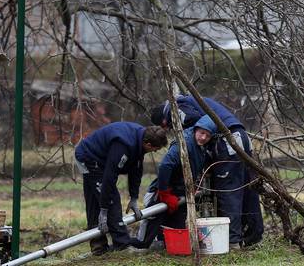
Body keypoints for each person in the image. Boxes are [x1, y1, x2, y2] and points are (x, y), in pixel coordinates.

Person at [150, 96, 264, 248]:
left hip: (226, 140)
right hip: (241, 136)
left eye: (165, 126)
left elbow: (201, 128)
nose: (168, 129)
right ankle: (253, 235)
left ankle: (232, 241)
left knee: (228, 191)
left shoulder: (178, 108)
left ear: (164, 118)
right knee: (246, 187)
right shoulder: (190, 100)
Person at [74, 122, 168, 255]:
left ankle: (98, 248)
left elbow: (136, 170)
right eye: (155, 149)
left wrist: (134, 198)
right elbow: (110, 176)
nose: (154, 152)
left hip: (100, 159)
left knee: (95, 199)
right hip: (88, 157)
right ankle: (122, 245)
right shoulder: (124, 144)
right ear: (148, 144)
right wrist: (105, 209)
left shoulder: (140, 138)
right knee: (111, 198)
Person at [135, 115, 217, 249]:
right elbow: (166, 166)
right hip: (164, 191)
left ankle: (166, 247)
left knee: (176, 228)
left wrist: (192, 186)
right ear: (196, 129)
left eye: (207, 136)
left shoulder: (202, 147)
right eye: (202, 133)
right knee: (151, 225)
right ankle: (139, 248)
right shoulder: (184, 143)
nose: (203, 138)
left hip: (180, 193)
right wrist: (164, 192)